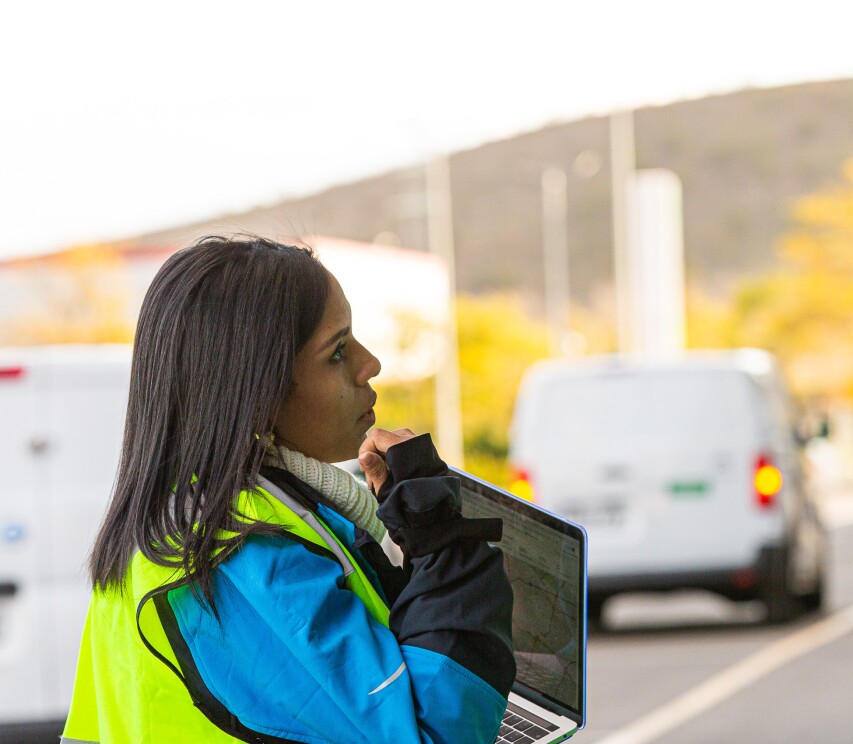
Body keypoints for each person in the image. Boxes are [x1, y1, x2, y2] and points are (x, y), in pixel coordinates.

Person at [63, 236, 515, 743]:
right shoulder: (237, 555)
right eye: (337, 351)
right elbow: (430, 733)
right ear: (257, 389)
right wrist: (444, 540)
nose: (371, 364)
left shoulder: (199, 515)